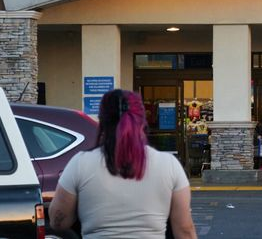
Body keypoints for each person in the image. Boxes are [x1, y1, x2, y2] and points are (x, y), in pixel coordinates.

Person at [48, 89, 197, 238]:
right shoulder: (169, 165)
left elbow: (58, 221)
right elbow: (184, 230)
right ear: (142, 121)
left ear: (102, 120)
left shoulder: (80, 164)